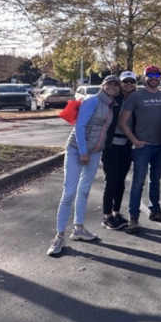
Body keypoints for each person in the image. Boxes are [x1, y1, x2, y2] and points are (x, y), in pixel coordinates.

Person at [47, 76, 121, 256]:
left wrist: (92, 152)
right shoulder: (93, 100)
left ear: (118, 89)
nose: (112, 87)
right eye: (109, 84)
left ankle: (78, 228)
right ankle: (59, 236)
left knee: (84, 191)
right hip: (77, 150)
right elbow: (80, 126)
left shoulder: (111, 104)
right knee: (69, 192)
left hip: (95, 152)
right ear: (103, 86)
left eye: (115, 85)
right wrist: (82, 152)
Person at [119, 65, 161, 233]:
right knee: (137, 183)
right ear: (144, 77)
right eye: (150, 75)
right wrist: (135, 140)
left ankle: (155, 211)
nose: (154, 77)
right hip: (143, 147)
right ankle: (133, 218)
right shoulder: (136, 96)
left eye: (157, 74)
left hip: (160, 145)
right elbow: (123, 121)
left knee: (155, 181)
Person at [100, 71, 137, 230]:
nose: (128, 84)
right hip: (111, 146)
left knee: (121, 181)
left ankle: (116, 212)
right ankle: (106, 215)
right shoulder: (113, 100)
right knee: (111, 180)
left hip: (127, 146)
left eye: (131, 81)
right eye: (125, 81)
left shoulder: (137, 99)